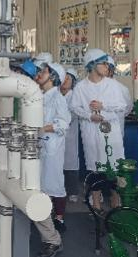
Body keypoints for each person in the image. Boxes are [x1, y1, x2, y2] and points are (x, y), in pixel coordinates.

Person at [70, 48, 128, 211]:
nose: (107, 67)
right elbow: (74, 107)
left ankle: (116, 200)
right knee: (95, 168)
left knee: (114, 166)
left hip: (111, 131)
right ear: (92, 65)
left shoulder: (112, 85)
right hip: (91, 132)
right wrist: (90, 116)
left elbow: (122, 106)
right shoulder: (81, 87)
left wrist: (103, 106)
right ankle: (96, 203)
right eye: (103, 63)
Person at [35, 61, 70, 235]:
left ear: (53, 76)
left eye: (45, 71)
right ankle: (44, 216)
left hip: (53, 147)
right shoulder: (41, 95)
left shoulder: (58, 97)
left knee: (54, 182)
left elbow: (63, 124)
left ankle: (59, 218)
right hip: (42, 144)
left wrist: (43, 128)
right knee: (42, 182)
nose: (40, 74)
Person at [61, 67, 80, 203]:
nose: (65, 80)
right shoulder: (57, 95)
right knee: (57, 164)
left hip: (69, 136)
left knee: (70, 164)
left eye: (68, 78)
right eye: (63, 78)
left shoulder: (74, 97)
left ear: (73, 82)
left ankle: (73, 191)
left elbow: (71, 116)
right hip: (56, 135)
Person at [106, 55, 133, 134]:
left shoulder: (122, 89)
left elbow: (127, 109)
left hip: (116, 133)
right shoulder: (94, 88)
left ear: (111, 71)